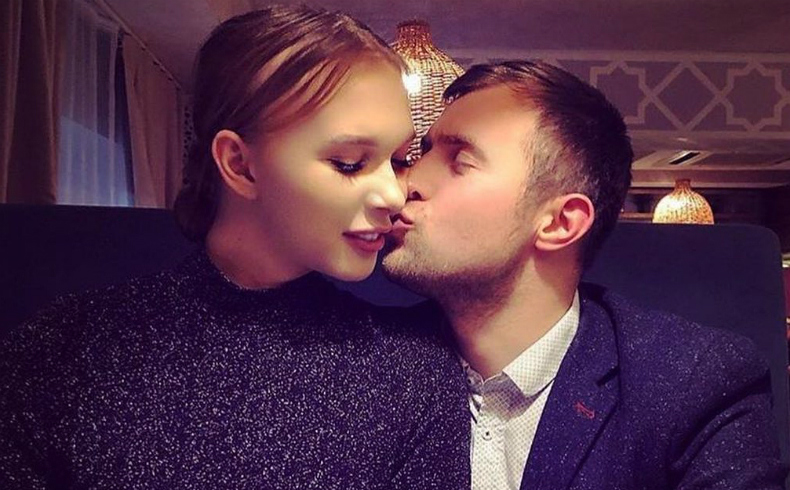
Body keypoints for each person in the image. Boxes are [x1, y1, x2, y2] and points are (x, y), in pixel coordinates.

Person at [0, 6, 470, 489]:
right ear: (239, 165)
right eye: (350, 163)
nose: (393, 194)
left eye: (399, 160)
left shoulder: (414, 374)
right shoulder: (59, 352)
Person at [382, 60, 786, 489]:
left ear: (560, 223)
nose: (404, 183)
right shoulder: (365, 361)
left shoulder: (692, 382)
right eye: (422, 153)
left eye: (459, 160)